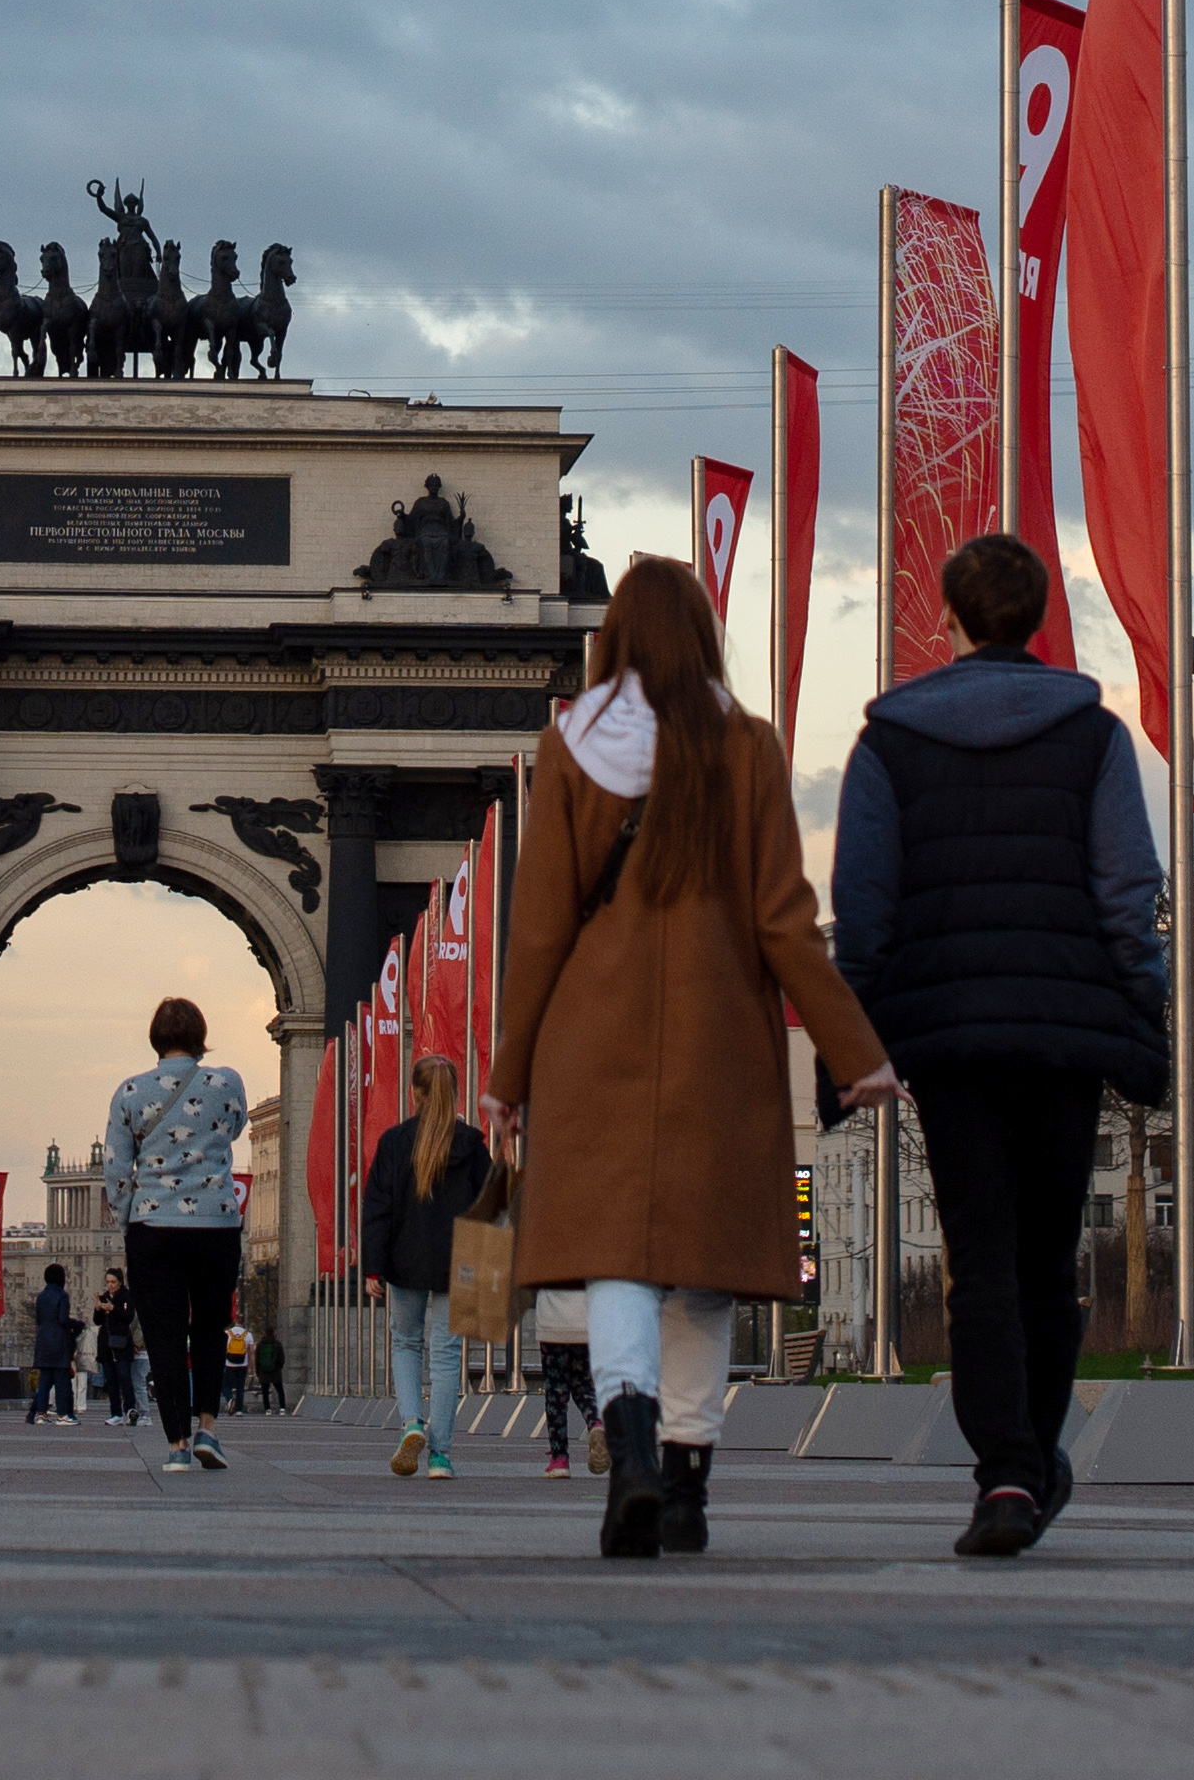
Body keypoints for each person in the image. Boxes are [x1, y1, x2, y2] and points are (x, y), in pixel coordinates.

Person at [493, 552, 895, 1561]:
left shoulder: (570, 746)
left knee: (616, 1263)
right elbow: (785, 923)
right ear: (705, 635)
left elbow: (537, 930)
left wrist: (505, 1077)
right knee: (702, 1272)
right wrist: (855, 1050)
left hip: (593, 1038)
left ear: (612, 638)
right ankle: (684, 1483)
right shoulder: (747, 748)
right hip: (718, 1035)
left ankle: (623, 1445)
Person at [831, 530, 1174, 1561]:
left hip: (949, 1037)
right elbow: (1126, 893)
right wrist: (1141, 1010)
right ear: (1037, 619)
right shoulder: (1094, 734)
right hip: (1062, 1031)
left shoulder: (885, 741)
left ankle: (1007, 1472)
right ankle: (1035, 1450)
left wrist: (849, 1033)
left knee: (976, 1256)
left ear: (946, 618)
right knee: (1044, 1256)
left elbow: (862, 907)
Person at [100, 995, 248, 1475]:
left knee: (164, 1337)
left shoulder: (129, 1092)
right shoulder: (226, 1082)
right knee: (209, 1329)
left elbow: (117, 1169)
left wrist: (130, 1219)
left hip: (154, 1228)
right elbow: (237, 1126)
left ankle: (177, 1444)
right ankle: (208, 1427)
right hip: (216, 1225)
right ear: (201, 1036)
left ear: (155, 1039)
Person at [356, 1052, 495, 1479]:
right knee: (447, 1356)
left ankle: (413, 1423)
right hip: (459, 1263)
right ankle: (440, 1456)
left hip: (405, 1260)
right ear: (455, 1092)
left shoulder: (395, 1142)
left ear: (414, 1093)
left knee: (406, 1343)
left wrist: (373, 1267)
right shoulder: (472, 1144)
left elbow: (376, 1207)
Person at [529, 1285, 598, 1480]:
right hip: (584, 1319)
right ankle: (596, 1423)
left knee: (556, 1391)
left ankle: (560, 1458)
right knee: (583, 1383)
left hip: (552, 1322)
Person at [27, 1262, 81, 1425]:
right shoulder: (62, 1296)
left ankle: (41, 1414)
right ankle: (63, 1414)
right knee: (61, 1381)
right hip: (59, 1342)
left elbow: (38, 1320)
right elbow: (63, 1319)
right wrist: (78, 1324)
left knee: (44, 1381)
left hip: (43, 1342)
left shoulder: (41, 1296)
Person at [92, 1272, 142, 1424]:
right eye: (108, 1282)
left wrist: (112, 1308)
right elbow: (97, 1321)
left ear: (120, 1282)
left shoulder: (125, 1297)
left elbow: (128, 1316)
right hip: (106, 1345)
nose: (110, 1285)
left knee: (125, 1378)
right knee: (111, 1381)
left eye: (113, 1282)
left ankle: (130, 1409)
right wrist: (99, 1308)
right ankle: (116, 1413)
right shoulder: (105, 1296)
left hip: (121, 1344)